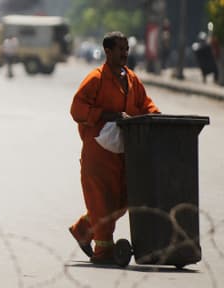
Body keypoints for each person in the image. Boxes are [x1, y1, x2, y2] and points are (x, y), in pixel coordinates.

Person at [69, 31, 160, 264]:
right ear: (107, 52)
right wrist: (106, 114)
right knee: (102, 202)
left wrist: (157, 118)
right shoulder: (96, 79)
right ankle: (103, 253)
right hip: (98, 152)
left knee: (124, 199)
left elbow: (146, 105)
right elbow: (77, 110)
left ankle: (82, 229)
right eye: (120, 49)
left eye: (127, 48)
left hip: (124, 152)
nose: (125, 53)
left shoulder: (131, 79)